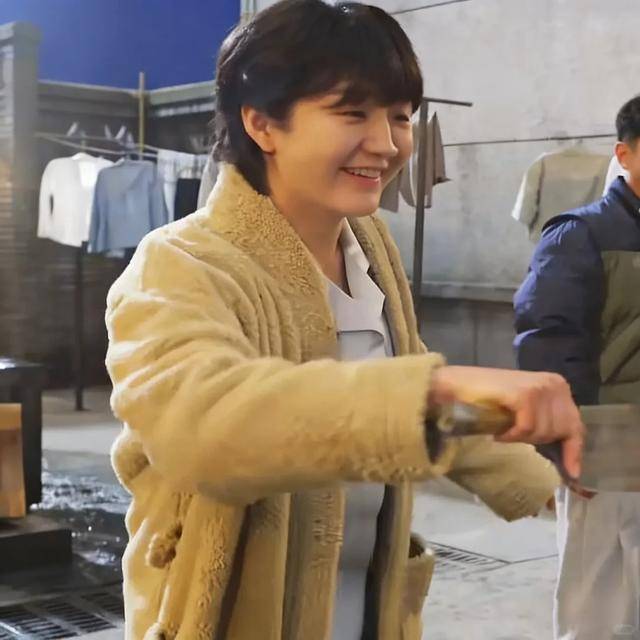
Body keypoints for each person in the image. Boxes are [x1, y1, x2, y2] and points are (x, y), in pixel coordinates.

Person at [106, 2, 583, 638]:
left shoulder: (370, 246)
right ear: (262, 123)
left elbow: (423, 410)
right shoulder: (178, 264)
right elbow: (205, 426)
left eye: (400, 116)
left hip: (365, 610)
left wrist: (557, 478)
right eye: (352, 113)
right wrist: (436, 388)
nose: (386, 144)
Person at [515, 95, 640, 640]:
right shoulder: (579, 234)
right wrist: (562, 443)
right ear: (625, 155)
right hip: (608, 444)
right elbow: (547, 342)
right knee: (598, 611)